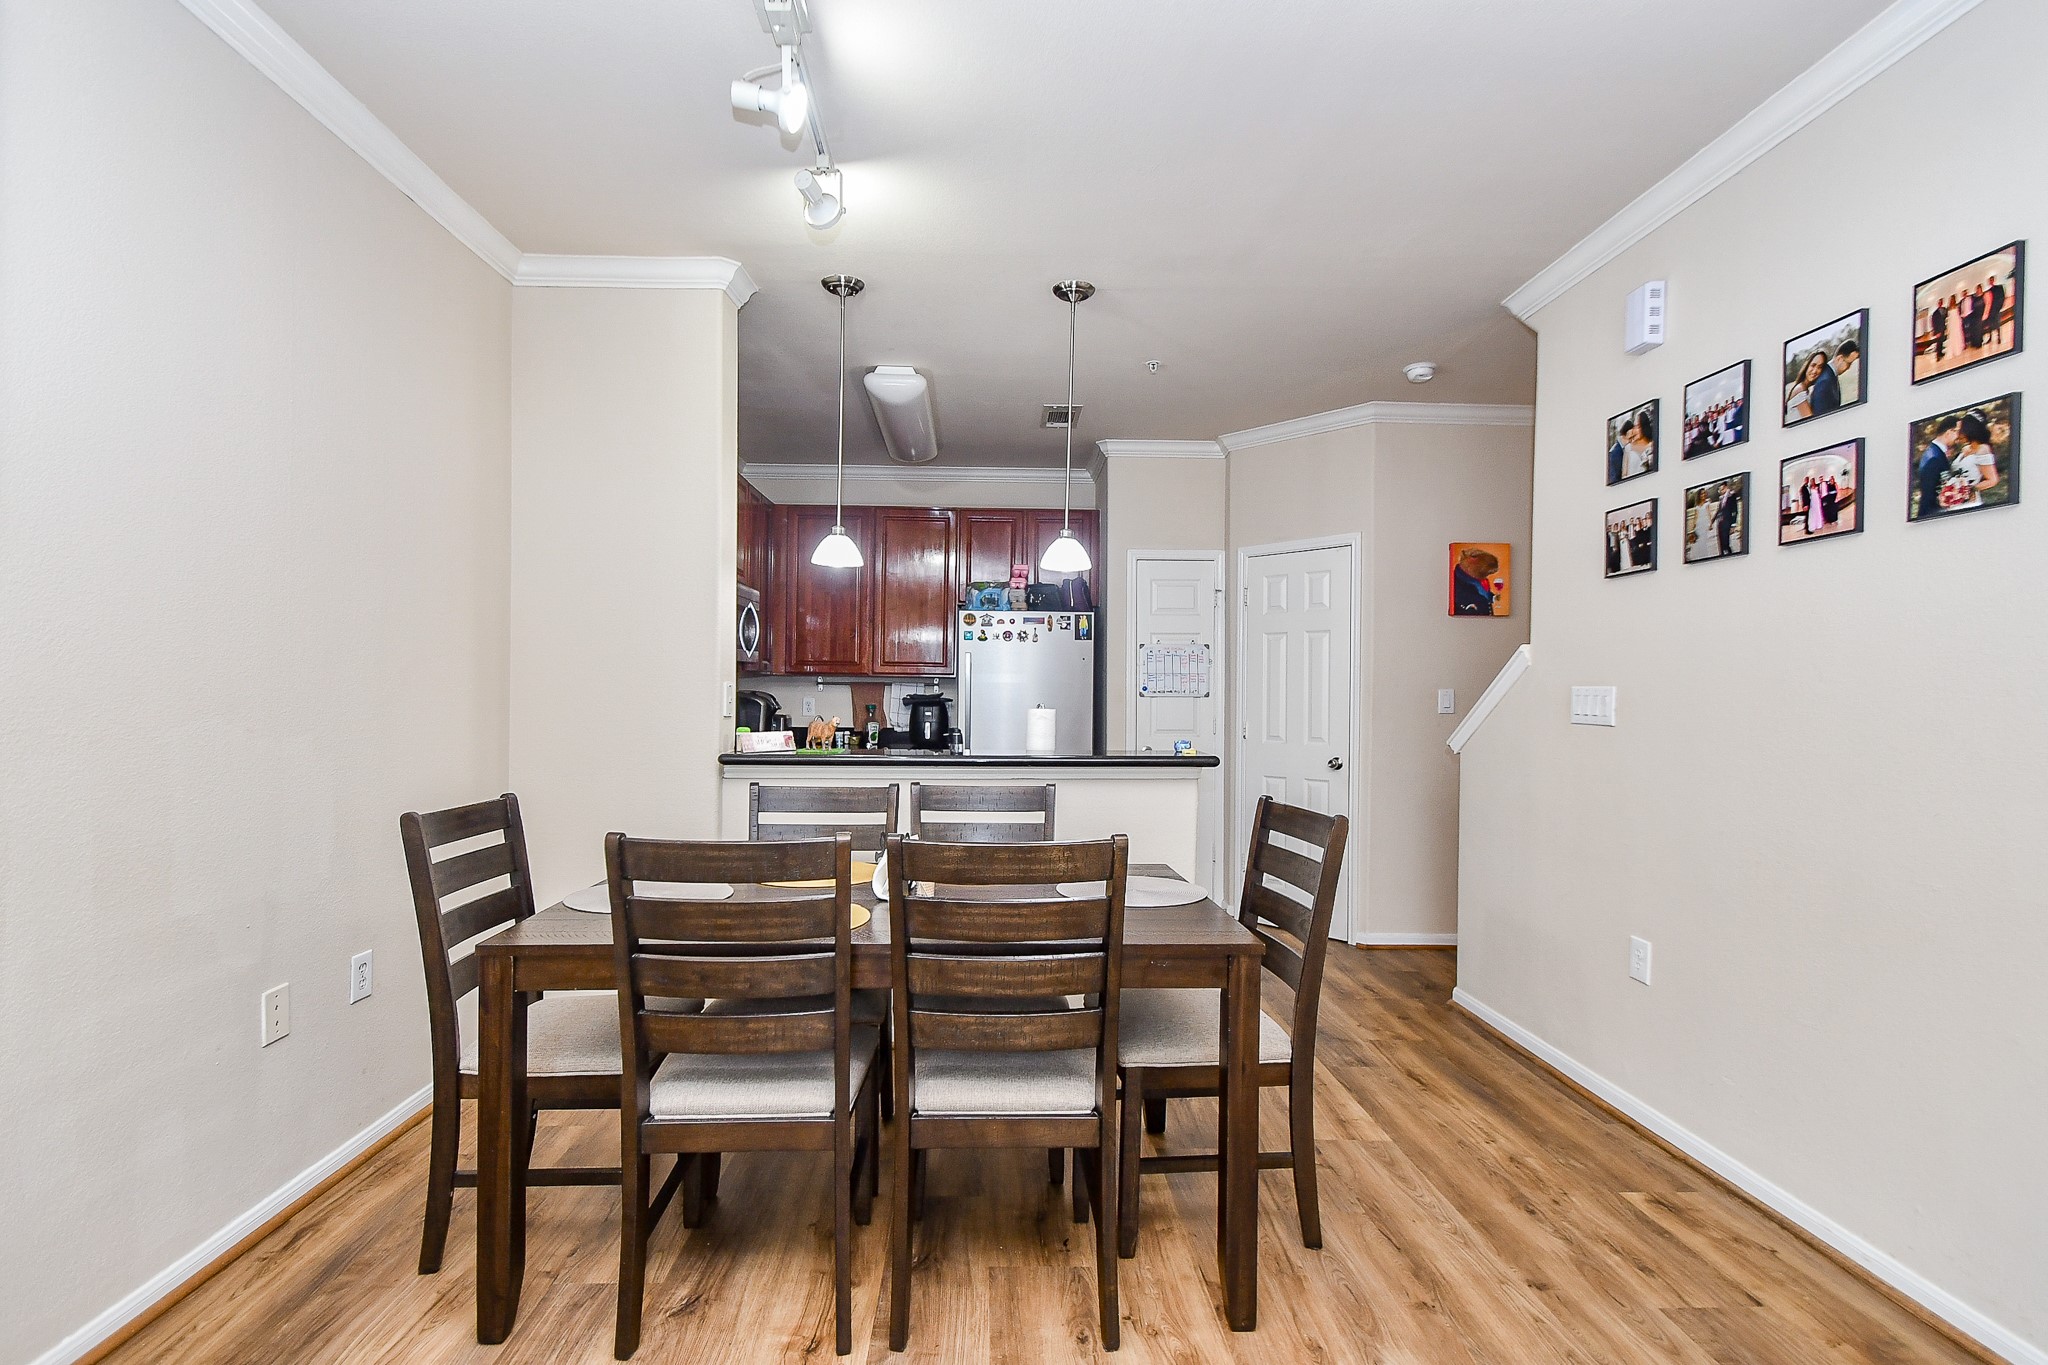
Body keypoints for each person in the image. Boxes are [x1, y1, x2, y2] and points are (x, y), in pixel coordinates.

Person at [1946, 411, 2001, 510]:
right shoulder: (1965, 449)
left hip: (1969, 501)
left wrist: (1969, 489)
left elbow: (1993, 480)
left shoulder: (1983, 449)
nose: (1958, 434)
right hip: (1953, 499)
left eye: (1960, 430)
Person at [1915, 414, 1963, 518]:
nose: (1959, 436)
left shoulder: (1936, 452)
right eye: (1957, 432)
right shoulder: (1933, 458)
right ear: (1949, 432)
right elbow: (1929, 494)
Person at [1453, 548, 1500, 615]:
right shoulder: (1457, 582)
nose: (1485, 576)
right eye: (1484, 573)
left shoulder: (1480, 581)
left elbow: (1485, 594)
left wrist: (1493, 597)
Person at [1803, 349, 1840, 417]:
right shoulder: (1800, 390)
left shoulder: (1811, 387)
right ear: (1807, 365)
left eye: (1820, 367)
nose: (1815, 371)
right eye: (1813, 365)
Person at [1831, 340, 1860, 407]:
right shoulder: (1826, 381)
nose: (1848, 368)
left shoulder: (1832, 377)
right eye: (1849, 363)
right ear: (1839, 359)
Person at [1607, 417, 1632, 484]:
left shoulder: (1621, 449)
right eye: (1630, 438)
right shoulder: (1616, 452)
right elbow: (1614, 478)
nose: (1631, 441)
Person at [1717, 481, 1740, 555]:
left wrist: (1733, 525)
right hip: (1721, 522)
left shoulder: (1731, 495)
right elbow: (1720, 510)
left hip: (1727, 522)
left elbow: (1735, 510)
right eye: (1720, 490)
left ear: (1726, 487)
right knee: (1721, 544)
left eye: (1722, 489)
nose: (1721, 491)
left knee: (1726, 543)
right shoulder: (1721, 498)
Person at [1987, 274, 2008, 347]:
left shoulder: (1999, 287)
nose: (1991, 282)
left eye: (1992, 280)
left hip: (1996, 309)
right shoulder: (1989, 291)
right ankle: (1990, 338)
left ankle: (1999, 338)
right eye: (1990, 281)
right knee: (1990, 324)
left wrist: (2000, 307)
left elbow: (2003, 297)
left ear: (1994, 280)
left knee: (1997, 323)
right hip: (1990, 310)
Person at [1928, 298, 1949, 364]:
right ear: (1938, 304)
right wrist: (1936, 332)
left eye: (1941, 302)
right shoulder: (1935, 313)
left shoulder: (1944, 309)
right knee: (1938, 343)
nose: (1940, 303)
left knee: (1941, 341)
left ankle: (1940, 353)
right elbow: (1933, 323)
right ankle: (1938, 356)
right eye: (1939, 302)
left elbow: (1945, 317)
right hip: (1938, 330)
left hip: (1942, 328)